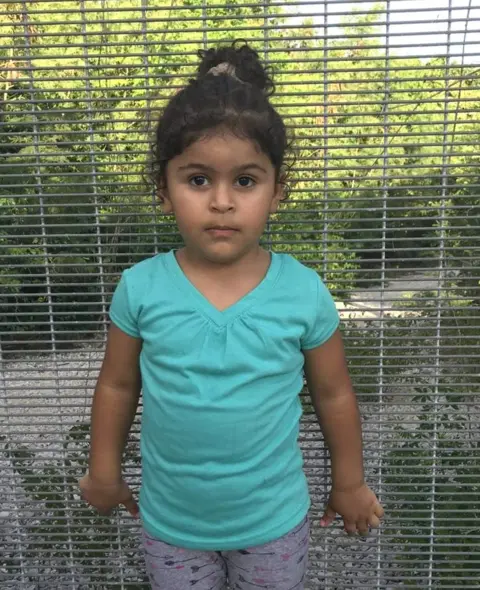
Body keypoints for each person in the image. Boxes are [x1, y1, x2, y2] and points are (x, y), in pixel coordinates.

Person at [79, 40, 384, 590]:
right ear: (164, 191)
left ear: (276, 192)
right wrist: (104, 471)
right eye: (198, 180)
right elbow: (118, 386)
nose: (222, 201)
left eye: (245, 181)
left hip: (273, 523)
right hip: (171, 524)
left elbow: (334, 394)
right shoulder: (140, 287)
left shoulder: (303, 291)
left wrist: (350, 482)